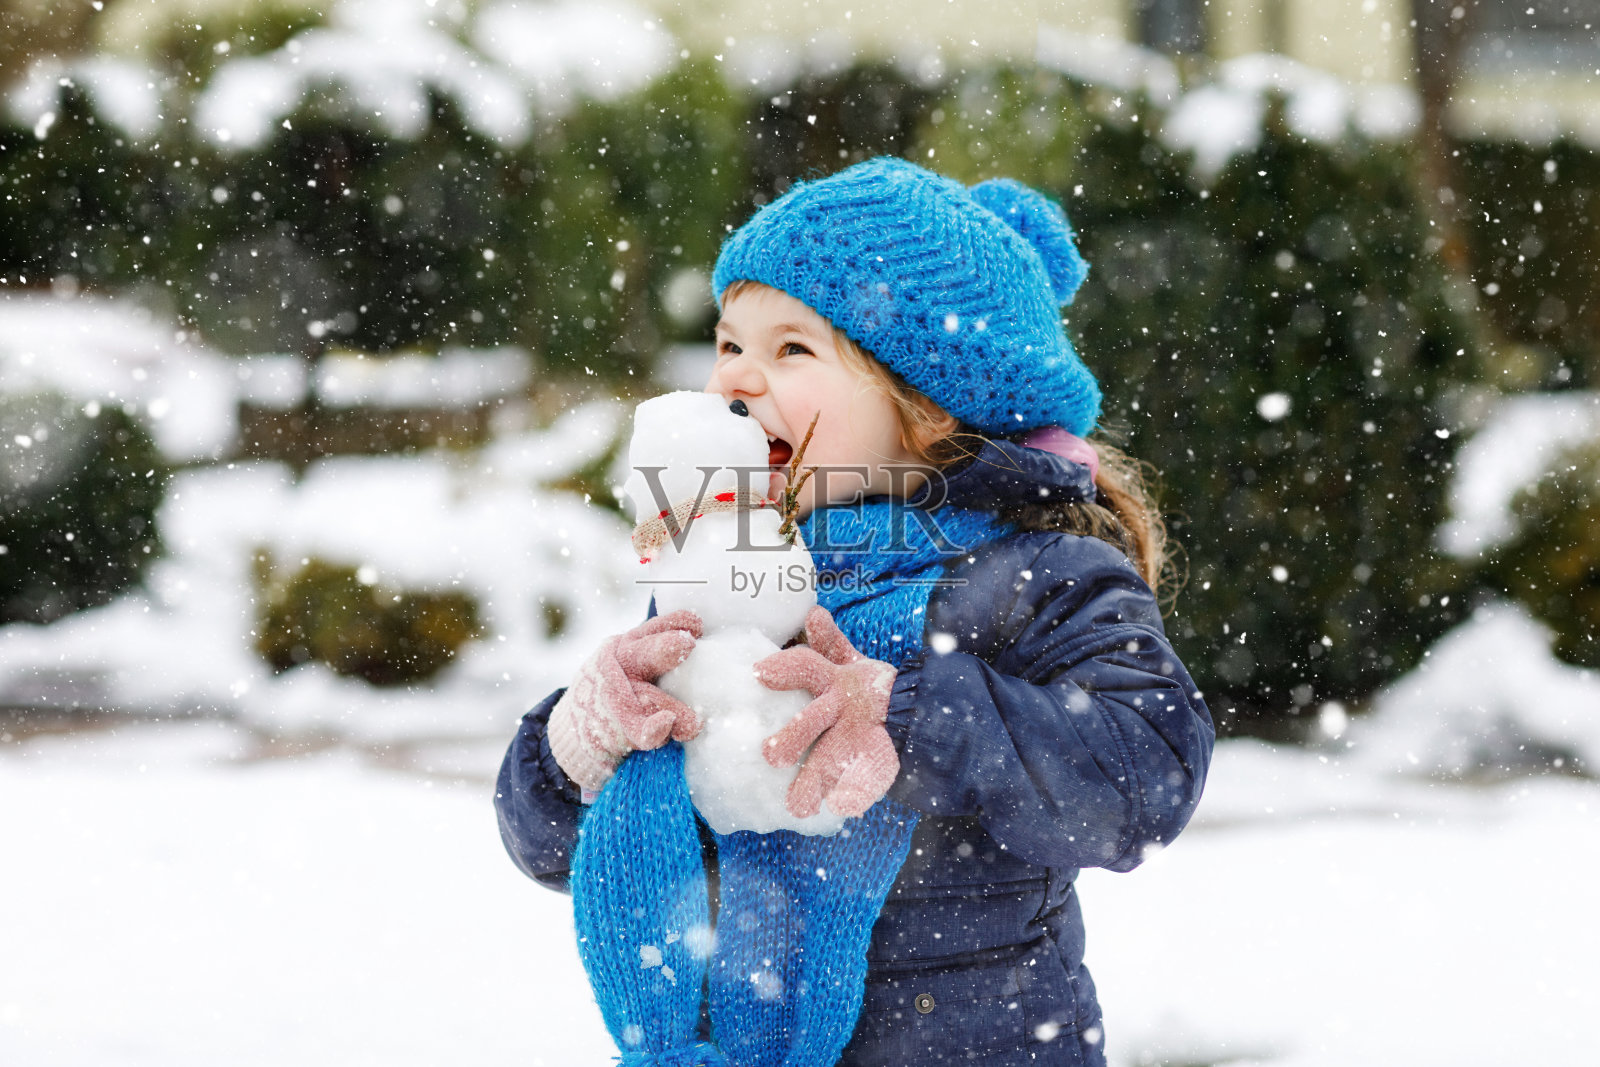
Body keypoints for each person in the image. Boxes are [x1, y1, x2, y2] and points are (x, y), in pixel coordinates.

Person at [495, 157, 1213, 1067]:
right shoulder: (725, 572)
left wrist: (912, 709)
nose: (737, 381)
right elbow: (565, 851)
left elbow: (1144, 775)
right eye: (729, 345)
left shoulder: (1038, 573)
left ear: (929, 405)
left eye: (792, 348)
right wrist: (575, 748)